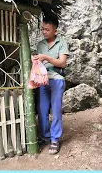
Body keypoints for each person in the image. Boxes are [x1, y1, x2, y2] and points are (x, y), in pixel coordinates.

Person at [33, 15, 69, 155]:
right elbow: (39, 64)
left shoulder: (62, 42)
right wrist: (35, 61)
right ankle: (45, 136)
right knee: (41, 109)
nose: (44, 32)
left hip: (57, 79)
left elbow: (62, 63)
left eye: (47, 29)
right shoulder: (40, 44)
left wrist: (46, 57)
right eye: (42, 29)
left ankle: (55, 139)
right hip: (43, 80)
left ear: (55, 30)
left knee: (56, 109)